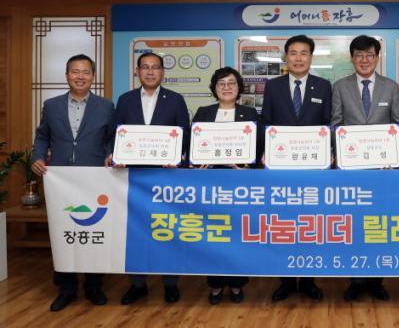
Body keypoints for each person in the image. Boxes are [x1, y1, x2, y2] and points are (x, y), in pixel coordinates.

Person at [31, 54, 114, 312]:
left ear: (93, 76)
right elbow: (42, 136)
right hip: (61, 181)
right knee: (63, 233)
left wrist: (111, 154)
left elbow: (111, 138)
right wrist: (37, 157)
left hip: (95, 178)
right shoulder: (51, 105)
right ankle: (66, 288)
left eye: (86, 72)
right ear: (67, 75)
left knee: (93, 232)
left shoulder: (106, 106)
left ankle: (94, 286)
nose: (80, 76)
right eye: (75, 71)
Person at [112, 52, 190, 305]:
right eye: (145, 67)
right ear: (137, 71)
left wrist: (177, 157)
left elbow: (185, 136)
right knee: (137, 231)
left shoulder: (175, 100)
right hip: (134, 178)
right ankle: (137, 284)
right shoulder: (125, 100)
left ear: (162, 72)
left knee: (168, 229)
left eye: (155, 67)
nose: (150, 71)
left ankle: (170, 284)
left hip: (166, 177)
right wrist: (116, 155)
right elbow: (116, 135)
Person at [260, 34, 332, 301]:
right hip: (282, 168)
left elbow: (328, 124)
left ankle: (309, 280)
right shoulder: (273, 86)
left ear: (311, 57)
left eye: (304, 53)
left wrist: (330, 152)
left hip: (314, 169)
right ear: (286, 57)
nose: (298, 58)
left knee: (310, 224)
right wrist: (266, 151)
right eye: (293, 53)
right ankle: (287, 280)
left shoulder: (323, 86)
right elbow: (266, 122)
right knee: (285, 224)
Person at [332, 34, 399, 302]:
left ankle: (376, 281)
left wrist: (392, 156)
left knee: (378, 226)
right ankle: (355, 280)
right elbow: (335, 124)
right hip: (351, 170)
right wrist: (342, 153)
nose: (364, 60)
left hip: (382, 172)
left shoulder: (391, 87)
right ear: (352, 58)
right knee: (353, 226)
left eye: (369, 55)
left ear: (377, 57)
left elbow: (398, 125)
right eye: (359, 55)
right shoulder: (340, 87)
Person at [192, 66, 257, 305]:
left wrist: (247, 166)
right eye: (221, 83)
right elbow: (192, 143)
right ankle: (216, 284)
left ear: (239, 88)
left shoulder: (249, 113)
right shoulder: (203, 113)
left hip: (239, 183)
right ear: (214, 88)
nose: (226, 87)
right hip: (211, 182)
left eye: (231, 83)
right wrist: (196, 162)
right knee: (214, 233)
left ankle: (237, 284)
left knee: (237, 234)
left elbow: (258, 146)